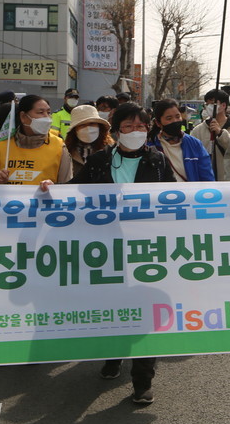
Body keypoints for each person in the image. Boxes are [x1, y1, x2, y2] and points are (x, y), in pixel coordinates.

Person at [68, 102, 175, 404]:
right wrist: (50, 188)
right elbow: (74, 191)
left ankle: (142, 381)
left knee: (144, 310)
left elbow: (173, 200)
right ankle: (113, 357)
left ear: (149, 128)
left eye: (140, 126)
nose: (135, 132)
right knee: (113, 308)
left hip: (146, 250)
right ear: (116, 130)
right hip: (108, 249)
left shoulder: (157, 161)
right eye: (127, 126)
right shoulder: (101, 160)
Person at [0, 95, 72, 189]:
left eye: (48, 112)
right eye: (40, 112)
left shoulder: (59, 146)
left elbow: (67, 185)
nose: (47, 117)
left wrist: (54, 187)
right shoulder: (2, 145)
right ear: (23, 116)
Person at [149, 99, 214, 182]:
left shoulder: (194, 144)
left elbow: (207, 177)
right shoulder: (150, 146)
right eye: (169, 118)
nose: (175, 121)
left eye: (177, 116)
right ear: (158, 123)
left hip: (191, 194)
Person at [190, 89, 230, 180]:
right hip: (206, 182)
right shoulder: (198, 130)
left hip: (229, 181)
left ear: (223, 105)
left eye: (212, 103)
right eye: (207, 104)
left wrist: (220, 133)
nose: (209, 106)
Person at [64, 105, 113, 179]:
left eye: (92, 124)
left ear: (99, 127)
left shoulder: (111, 150)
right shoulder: (65, 151)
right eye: (82, 125)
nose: (88, 128)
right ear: (75, 130)